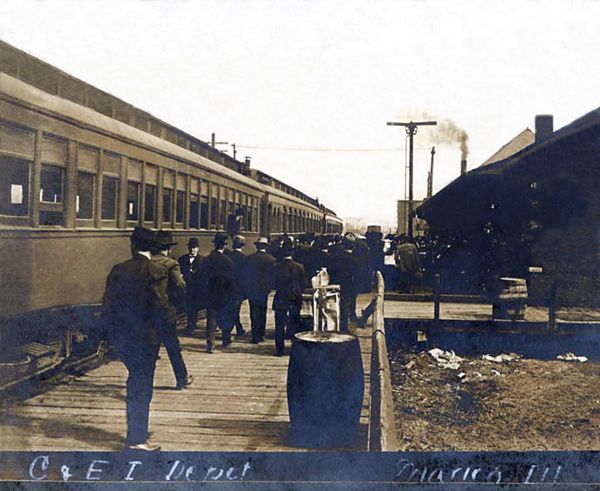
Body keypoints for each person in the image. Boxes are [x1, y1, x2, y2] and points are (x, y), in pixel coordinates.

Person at [102, 226, 167, 451]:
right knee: (142, 386)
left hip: (124, 338)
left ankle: (135, 433)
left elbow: (108, 307)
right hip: (147, 339)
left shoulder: (118, 270)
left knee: (134, 381)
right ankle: (137, 439)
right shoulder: (155, 271)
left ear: (133, 245)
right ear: (153, 247)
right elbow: (161, 308)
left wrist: (113, 334)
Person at [151, 231, 194, 390]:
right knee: (173, 348)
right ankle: (181, 379)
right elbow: (181, 286)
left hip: (147, 313)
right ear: (168, 248)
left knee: (149, 349)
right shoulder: (171, 264)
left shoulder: (144, 263)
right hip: (166, 313)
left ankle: (143, 381)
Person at [199, 233, 236, 353]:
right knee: (224, 316)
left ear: (214, 244)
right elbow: (230, 281)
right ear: (224, 246)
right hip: (224, 294)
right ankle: (225, 339)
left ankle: (210, 343)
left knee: (211, 318)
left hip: (211, 293)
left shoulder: (207, 260)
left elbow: (202, 278)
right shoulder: (228, 261)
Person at [272, 242, 307, 356]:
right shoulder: (299, 266)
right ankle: (294, 347)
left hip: (281, 297)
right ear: (292, 253)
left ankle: (279, 349)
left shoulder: (276, 266)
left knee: (279, 324)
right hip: (294, 298)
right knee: (294, 322)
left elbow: (273, 283)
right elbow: (303, 285)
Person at [245, 237, 276, 344]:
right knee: (262, 311)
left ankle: (254, 336)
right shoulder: (271, 259)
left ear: (257, 246)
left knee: (253, 312)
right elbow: (272, 277)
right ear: (266, 247)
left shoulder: (249, 258)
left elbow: (246, 276)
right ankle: (261, 334)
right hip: (263, 290)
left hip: (252, 290)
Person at [328, 237, 359, 332]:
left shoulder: (334, 258)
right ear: (353, 247)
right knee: (345, 305)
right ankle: (343, 328)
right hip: (348, 285)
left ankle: (333, 326)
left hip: (335, 283)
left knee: (334, 305)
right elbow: (355, 275)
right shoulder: (354, 260)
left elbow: (330, 270)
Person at [178, 238, 203, 336]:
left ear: (198, 248)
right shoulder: (182, 259)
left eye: (195, 248)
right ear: (188, 248)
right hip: (186, 288)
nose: (193, 250)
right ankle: (190, 325)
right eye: (191, 248)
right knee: (188, 308)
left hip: (196, 289)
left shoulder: (202, 260)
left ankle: (191, 326)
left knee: (194, 308)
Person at [225, 234, 248, 338]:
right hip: (238, 289)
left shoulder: (227, 256)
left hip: (228, 287)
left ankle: (238, 329)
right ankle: (229, 331)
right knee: (234, 310)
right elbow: (245, 276)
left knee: (231, 309)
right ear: (242, 246)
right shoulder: (245, 259)